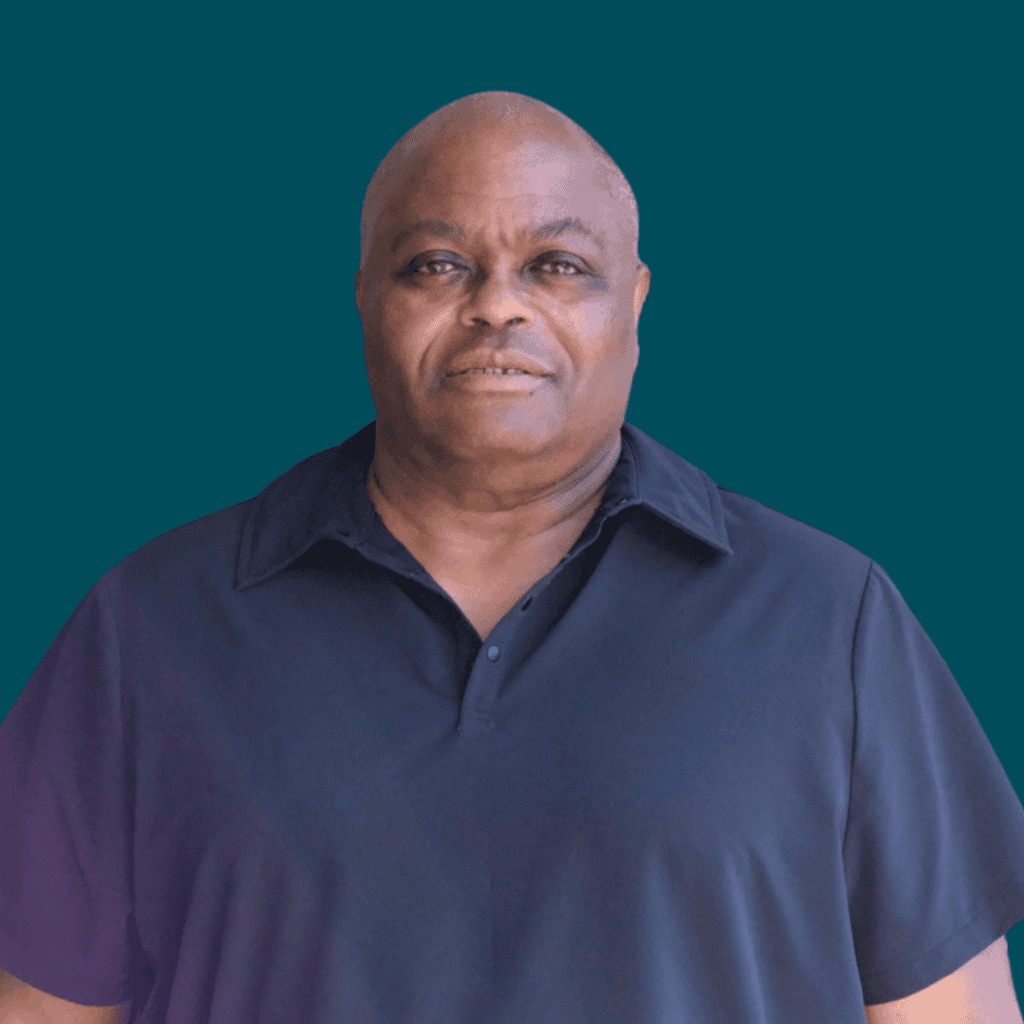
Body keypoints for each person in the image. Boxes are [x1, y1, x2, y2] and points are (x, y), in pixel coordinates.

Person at [1, 91, 1023, 1024]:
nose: (497, 303)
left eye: (557, 265)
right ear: (364, 297)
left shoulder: (826, 616)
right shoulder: (153, 626)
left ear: (635, 302)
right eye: (435, 264)